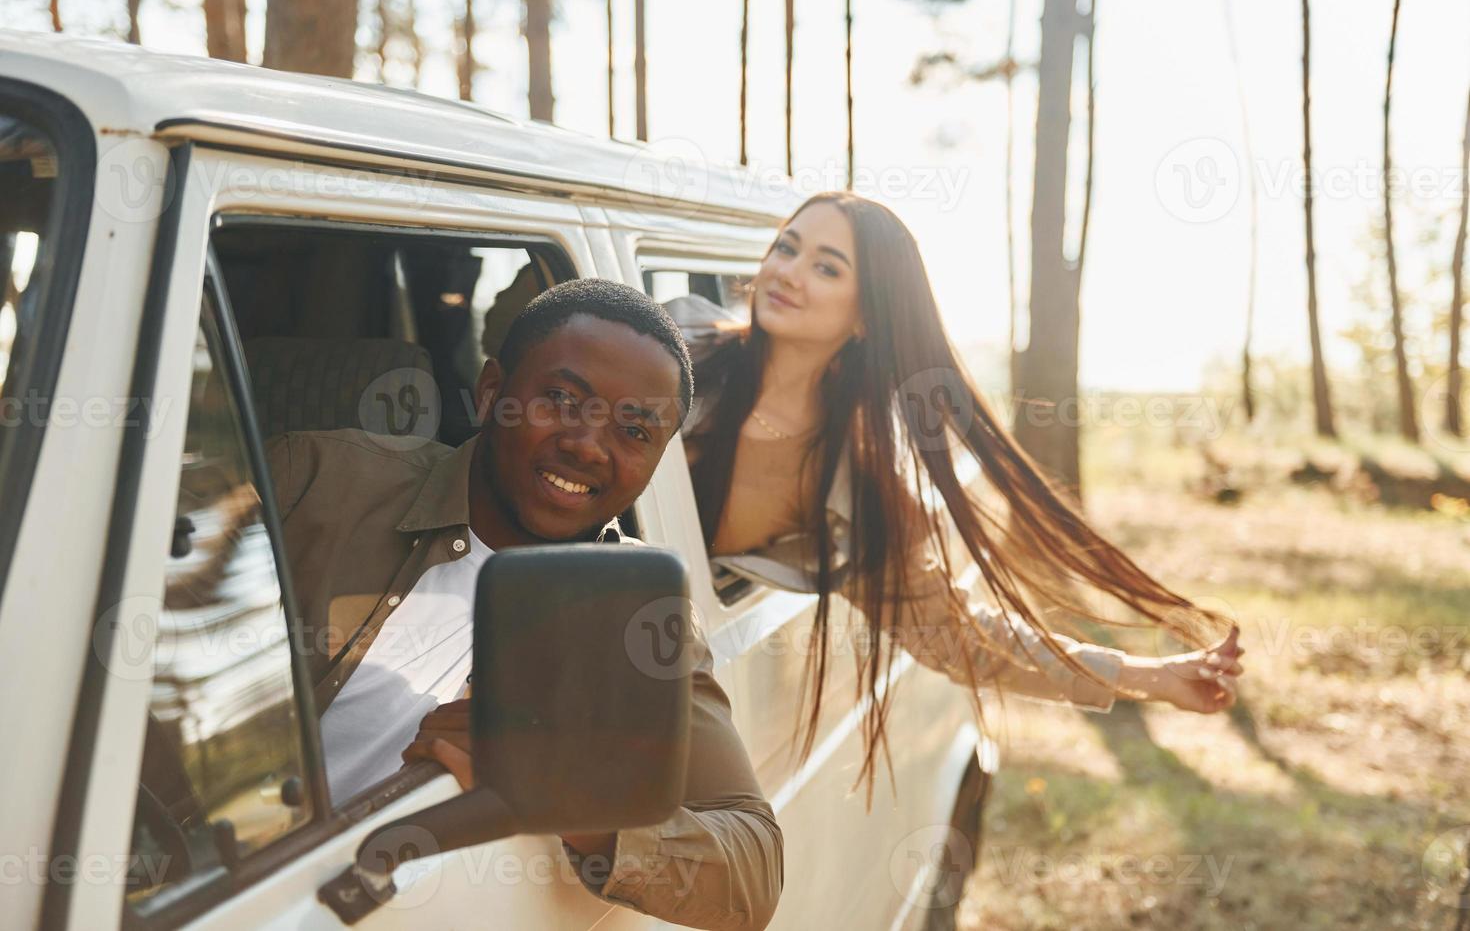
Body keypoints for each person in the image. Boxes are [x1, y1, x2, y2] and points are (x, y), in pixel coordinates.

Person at [671, 192, 1245, 787]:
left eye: (826, 267)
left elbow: (959, 638)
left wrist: (1149, 676)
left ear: (866, 315)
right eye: (787, 248)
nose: (788, 273)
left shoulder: (853, 489)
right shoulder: (666, 348)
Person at [266, 280, 782, 931]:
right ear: (491, 393)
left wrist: (572, 803)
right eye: (562, 399)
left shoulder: (640, 615)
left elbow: (753, 872)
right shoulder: (317, 480)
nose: (588, 445)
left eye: (634, 430)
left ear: (657, 460)